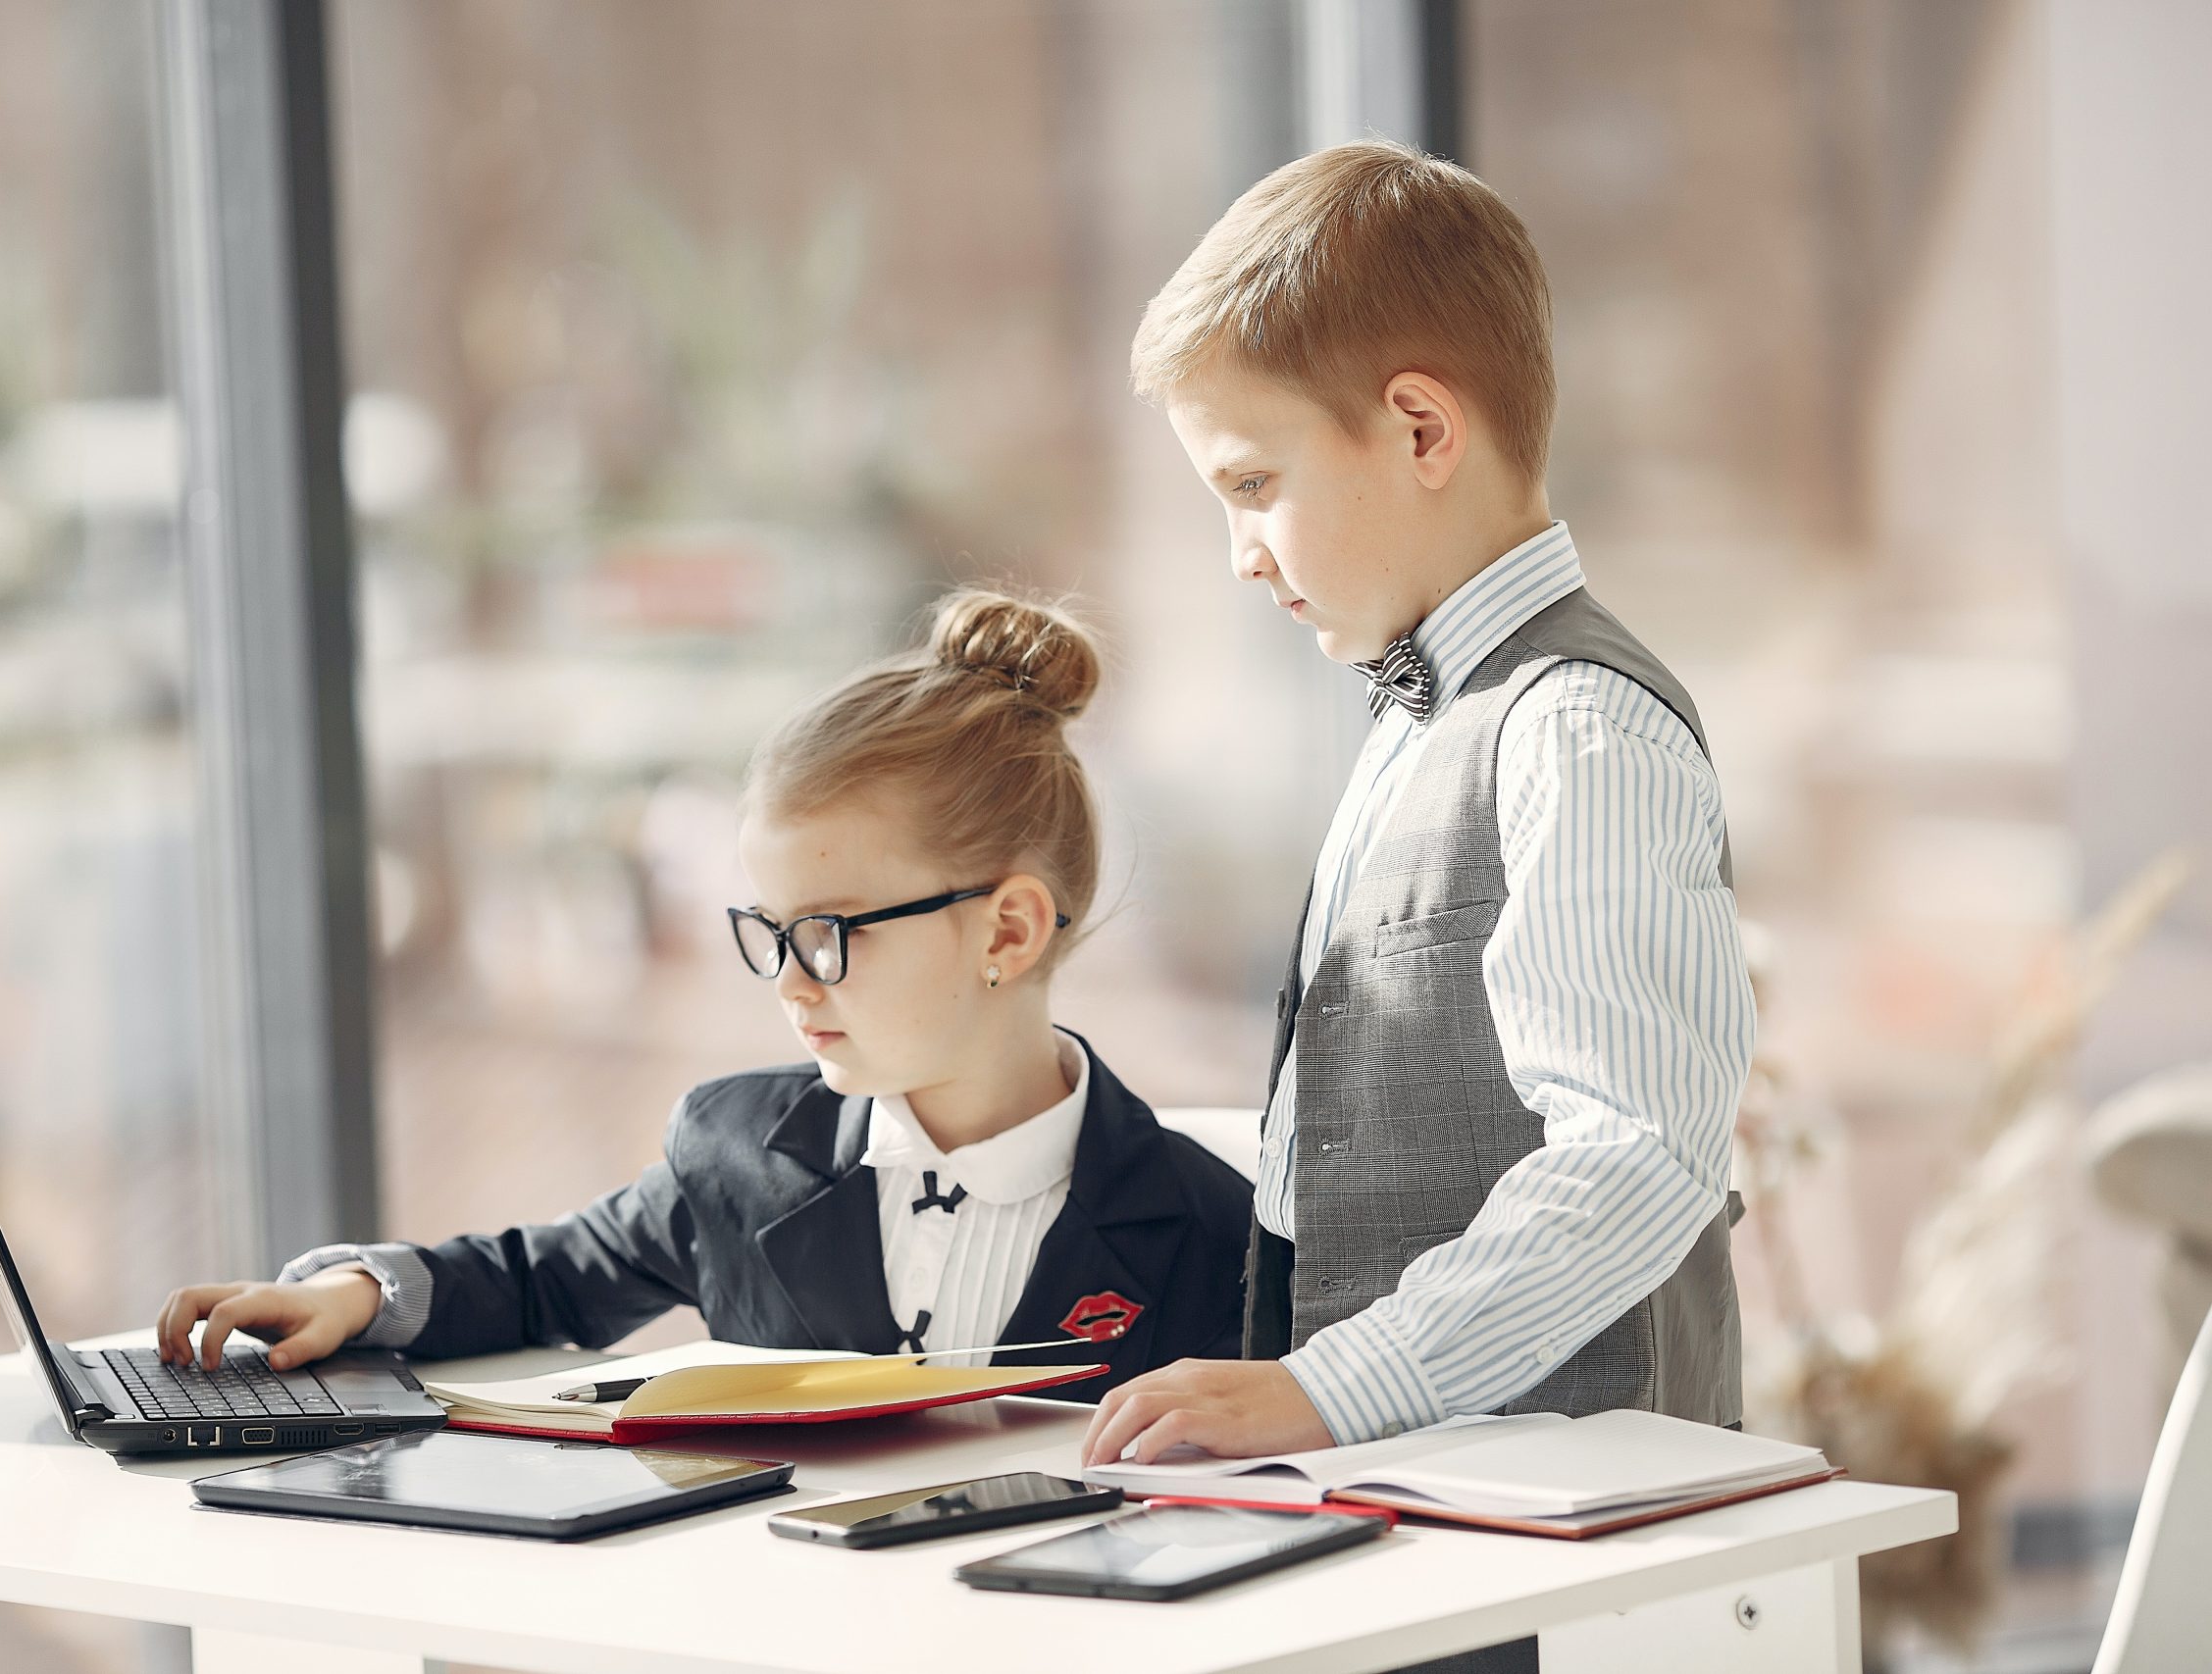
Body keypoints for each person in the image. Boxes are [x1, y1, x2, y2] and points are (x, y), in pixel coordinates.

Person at [1085, 139, 1752, 1486]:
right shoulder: (1422, 711)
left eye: (1253, 485)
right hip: (1428, 1505)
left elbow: (1637, 1153)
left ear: (1421, 430)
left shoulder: (1576, 726)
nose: (1240, 554)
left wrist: (1331, 1388)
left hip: (1568, 1538)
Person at [157, 589, 1251, 1401]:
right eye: (768, 933)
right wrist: (350, 1294)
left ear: (1006, 929)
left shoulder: (1214, 1233)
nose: (786, 980)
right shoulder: (735, 1153)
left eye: (825, 934)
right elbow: (544, 1283)